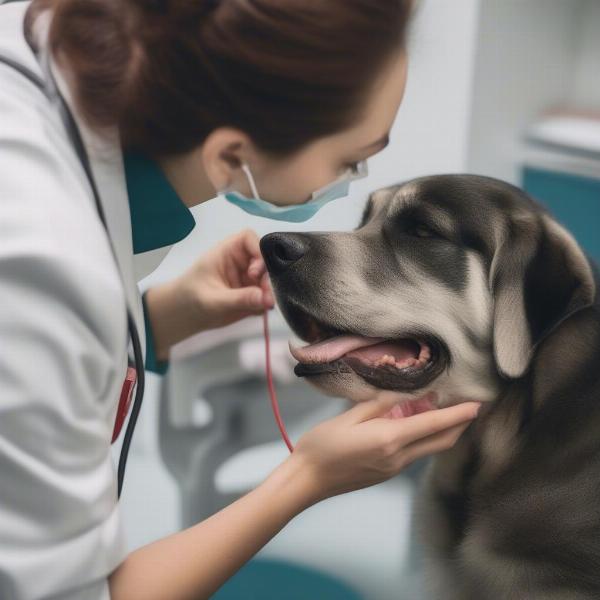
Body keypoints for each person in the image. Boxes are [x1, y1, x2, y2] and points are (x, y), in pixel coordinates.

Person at [0, 0, 482, 598]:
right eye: (350, 159)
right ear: (231, 156)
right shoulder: (39, 258)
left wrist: (165, 317)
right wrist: (307, 477)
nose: (351, 178)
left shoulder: (63, 49)